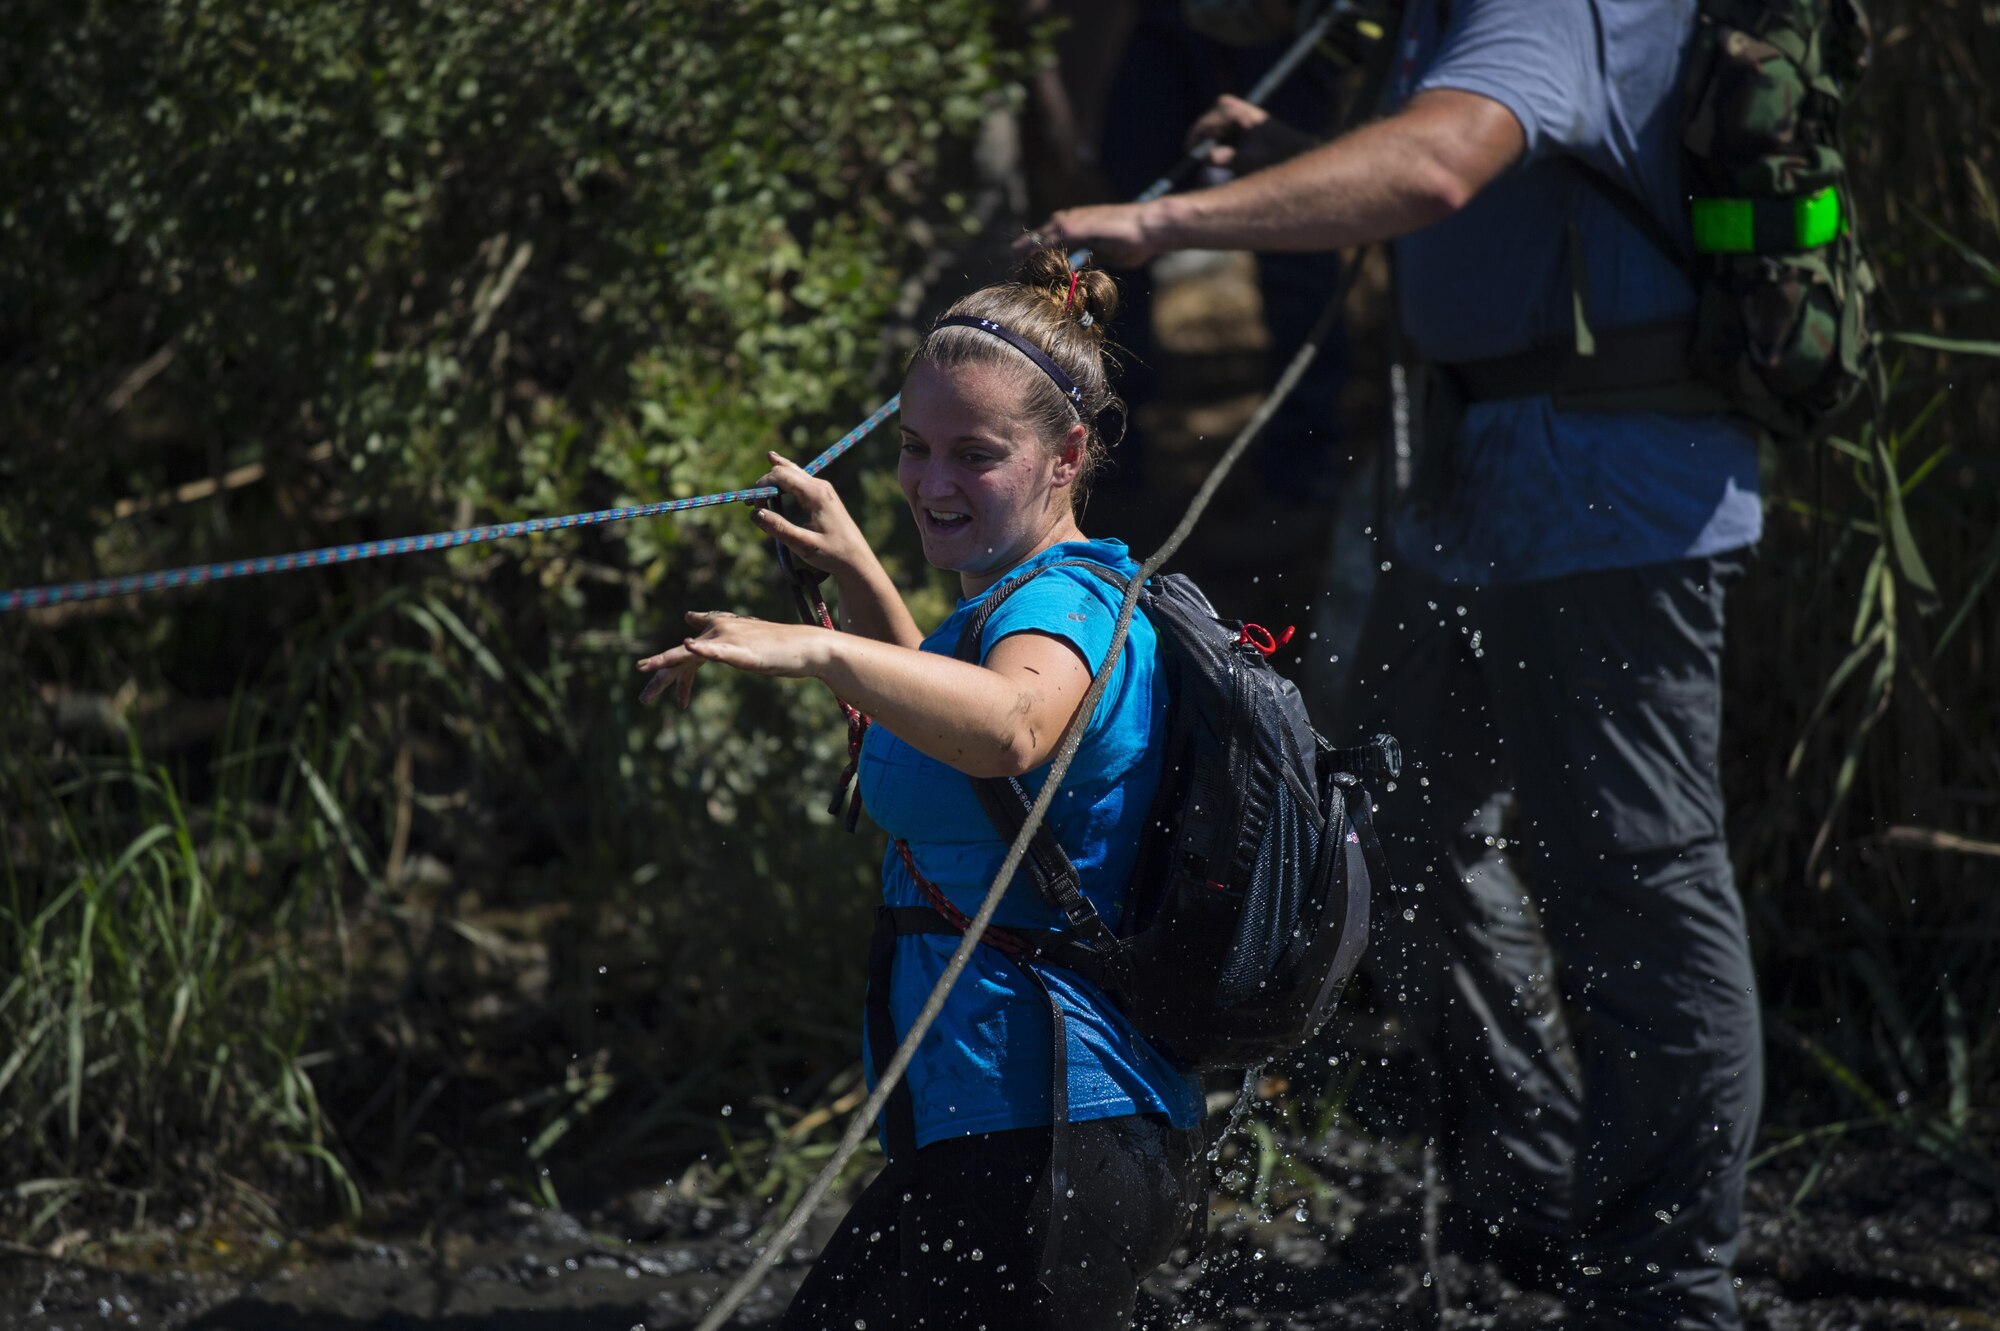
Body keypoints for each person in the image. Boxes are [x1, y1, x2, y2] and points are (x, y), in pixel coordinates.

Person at [1026, 3, 1766, 1330]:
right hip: (1479, 489)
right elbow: (1485, 184)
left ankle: (1669, 1284)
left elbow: (1437, 166)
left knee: (1640, 887)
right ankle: (1528, 1196)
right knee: (1399, 830)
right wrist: (1295, 157)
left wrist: (1158, 227)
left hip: (1615, 498)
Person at [636, 251, 1204, 1331]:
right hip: (1003, 1130)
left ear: (1065, 456)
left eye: (973, 454)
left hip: (1048, 1136)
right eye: (912, 447)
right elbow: (949, 749)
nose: (931, 482)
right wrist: (856, 570)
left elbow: (1007, 728)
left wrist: (815, 651)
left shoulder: (1063, 609)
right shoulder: (999, 606)